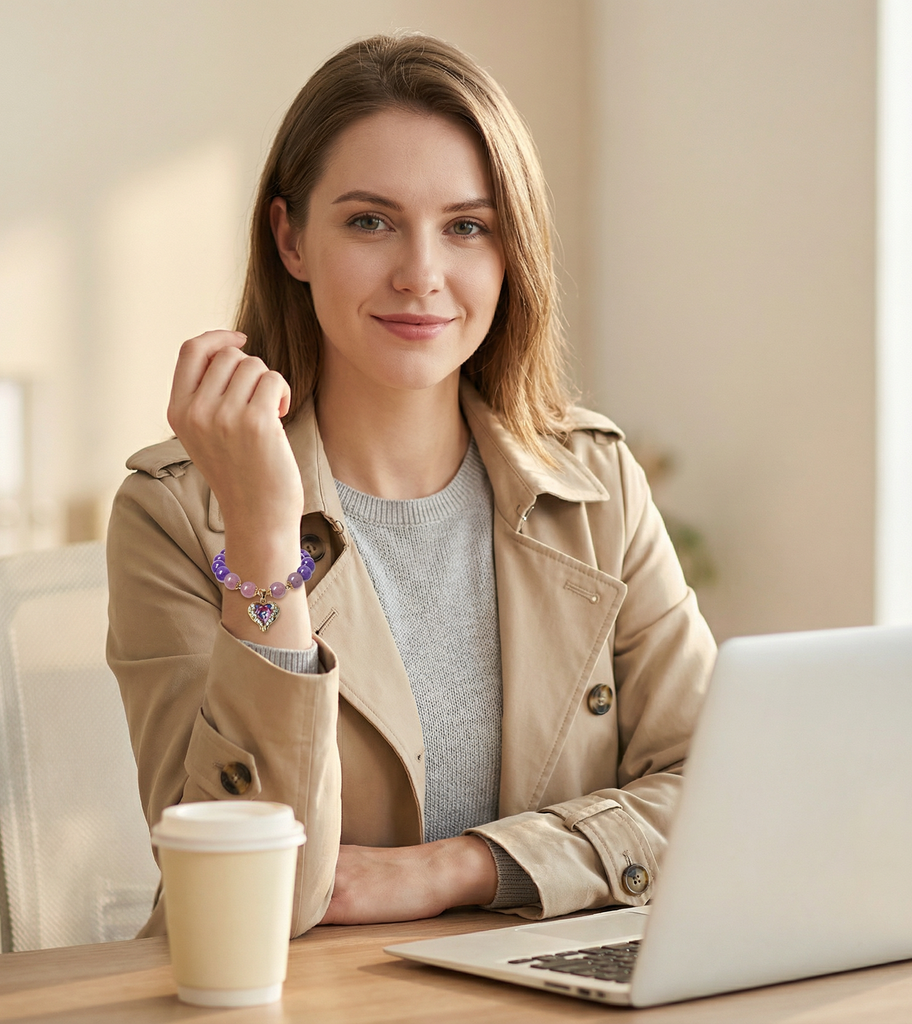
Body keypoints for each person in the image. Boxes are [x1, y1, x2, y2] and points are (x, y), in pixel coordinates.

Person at [107, 33, 716, 939]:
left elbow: (712, 795)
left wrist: (456, 869)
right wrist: (265, 533)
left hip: (539, 989)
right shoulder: (174, 512)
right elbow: (250, 903)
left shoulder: (596, 483)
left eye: (466, 226)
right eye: (369, 221)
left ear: (511, 253)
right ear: (291, 238)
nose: (422, 275)